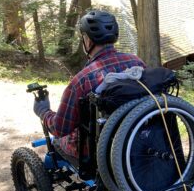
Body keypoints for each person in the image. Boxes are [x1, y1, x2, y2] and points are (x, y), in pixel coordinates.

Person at [32, 10, 146, 166]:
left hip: (95, 153)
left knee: (57, 140)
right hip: (135, 141)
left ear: (87, 39)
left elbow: (60, 128)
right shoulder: (137, 63)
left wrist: (43, 111)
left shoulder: (82, 80)